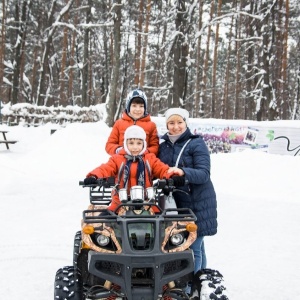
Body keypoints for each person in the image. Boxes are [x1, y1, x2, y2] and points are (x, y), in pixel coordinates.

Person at [158, 108, 218, 273]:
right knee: (198, 245)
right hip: (178, 203)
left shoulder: (196, 143)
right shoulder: (163, 147)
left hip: (198, 201)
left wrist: (184, 172)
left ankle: (192, 286)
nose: (175, 126)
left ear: (186, 123)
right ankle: (202, 280)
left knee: (193, 246)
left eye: (179, 122)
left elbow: (204, 173)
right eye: (171, 122)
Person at [85, 125, 183, 212]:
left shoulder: (149, 158)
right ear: (125, 143)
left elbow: (162, 169)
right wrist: (94, 176)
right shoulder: (117, 159)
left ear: (144, 144)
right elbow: (105, 168)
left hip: (147, 203)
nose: (135, 147)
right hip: (119, 203)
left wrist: (173, 176)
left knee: (163, 225)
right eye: (131, 143)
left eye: (139, 143)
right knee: (101, 224)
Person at [105, 89, 159, 156]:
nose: (138, 109)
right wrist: (119, 150)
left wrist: (145, 152)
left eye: (141, 106)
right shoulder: (119, 123)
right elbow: (109, 145)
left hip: (142, 163)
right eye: (134, 106)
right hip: (121, 162)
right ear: (128, 107)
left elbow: (155, 147)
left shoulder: (151, 125)